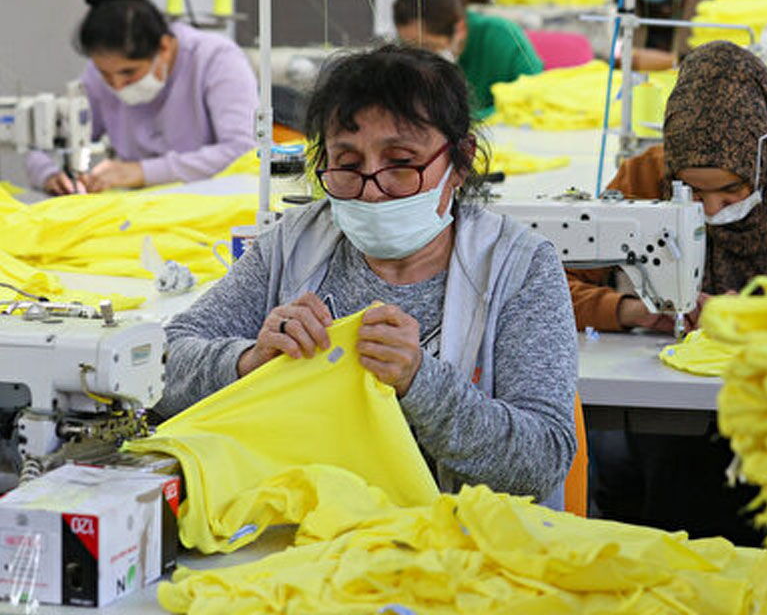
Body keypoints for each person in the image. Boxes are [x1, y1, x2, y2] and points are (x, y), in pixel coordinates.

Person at [158, 45, 577, 508]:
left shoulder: (517, 268)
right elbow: (163, 362)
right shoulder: (296, 244)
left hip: (456, 547)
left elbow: (544, 459)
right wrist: (248, 363)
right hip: (301, 536)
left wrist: (421, 383)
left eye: (400, 164)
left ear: (459, 161)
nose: (372, 189)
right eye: (349, 164)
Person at [571, 40, 767, 545]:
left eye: (730, 191)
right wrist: (632, 311)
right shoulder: (645, 175)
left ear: (761, 153)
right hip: (670, 418)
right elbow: (554, 283)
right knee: (676, 485)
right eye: (692, 194)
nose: (711, 210)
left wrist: (764, 317)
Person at [27, 0, 257, 195]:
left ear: (164, 48)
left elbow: (243, 151)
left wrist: (140, 172)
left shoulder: (215, 59)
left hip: (213, 204)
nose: (116, 86)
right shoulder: (98, 74)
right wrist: (50, 174)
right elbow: (45, 145)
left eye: (129, 73)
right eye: (106, 75)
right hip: (139, 209)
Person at [393, 0, 542, 119]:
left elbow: (537, 98)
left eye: (427, 46)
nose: (417, 56)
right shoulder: (402, 54)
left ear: (460, 28)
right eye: (408, 46)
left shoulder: (503, 38)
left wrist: (469, 122)